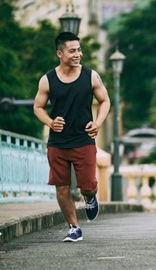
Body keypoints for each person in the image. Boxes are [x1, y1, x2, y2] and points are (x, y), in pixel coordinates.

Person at [33, 32, 111, 242]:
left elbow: (105, 101)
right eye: (72, 50)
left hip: (83, 139)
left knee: (87, 185)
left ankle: (90, 196)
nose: (78, 54)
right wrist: (50, 122)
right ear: (60, 53)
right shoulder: (47, 80)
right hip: (57, 142)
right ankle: (74, 228)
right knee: (61, 187)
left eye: (79, 50)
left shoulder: (90, 76)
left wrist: (97, 123)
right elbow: (38, 107)